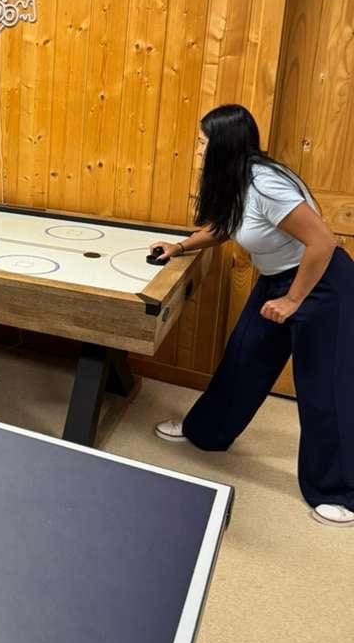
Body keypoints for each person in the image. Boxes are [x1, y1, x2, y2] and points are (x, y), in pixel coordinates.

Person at [150, 104, 354, 527]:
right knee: (243, 359)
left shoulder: (267, 184)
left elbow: (323, 242)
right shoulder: (237, 178)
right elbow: (226, 225)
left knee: (324, 388)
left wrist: (293, 300)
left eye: (203, 142)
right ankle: (206, 432)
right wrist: (181, 246)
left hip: (322, 286)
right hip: (278, 280)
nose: (198, 148)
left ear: (223, 144)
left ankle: (338, 492)